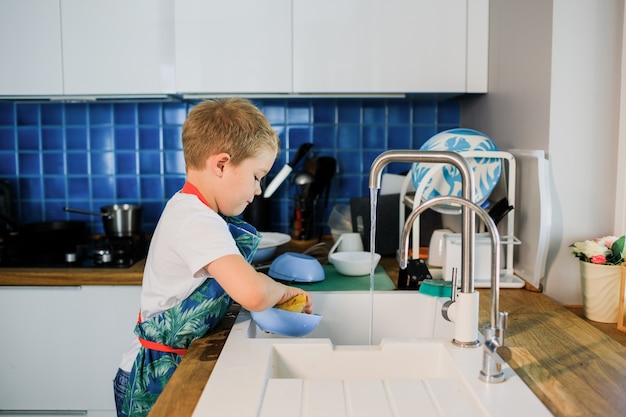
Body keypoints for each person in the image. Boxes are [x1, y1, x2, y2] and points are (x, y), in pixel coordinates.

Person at [113, 98, 313, 417]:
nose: (259, 190)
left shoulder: (197, 212)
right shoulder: (196, 220)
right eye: (257, 176)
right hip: (152, 379)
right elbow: (253, 292)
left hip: (172, 365)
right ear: (221, 165)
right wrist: (282, 291)